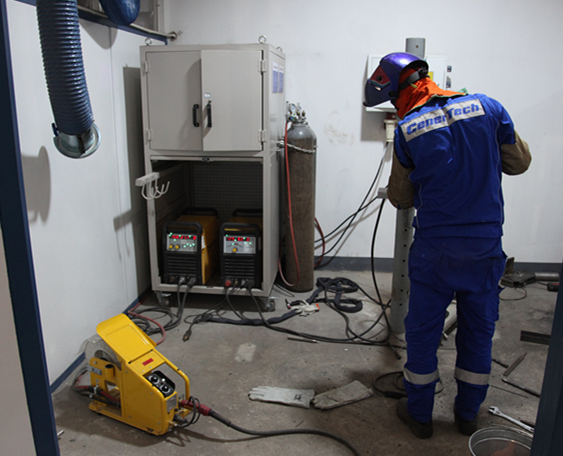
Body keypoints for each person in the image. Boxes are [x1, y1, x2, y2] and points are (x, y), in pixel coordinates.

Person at [363, 52, 531, 438]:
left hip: (434, 250)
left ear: (398, 93)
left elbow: (400, 197)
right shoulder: (488, 107)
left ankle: (420, 417)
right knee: (478, 333)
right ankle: (467, 416)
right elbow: (519, 163)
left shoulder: (408, 128)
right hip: (484, 247)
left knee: (422, 334)